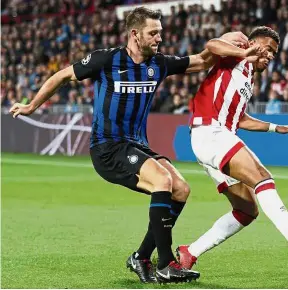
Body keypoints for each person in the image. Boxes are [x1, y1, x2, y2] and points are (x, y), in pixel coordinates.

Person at [9, 7, 250, 284]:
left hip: (137, 145)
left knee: (181, 189)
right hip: (108, 147)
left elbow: (203, 60)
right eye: (153, 33)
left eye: (160, 32)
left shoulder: (159, 63)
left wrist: (226, 39)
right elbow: (62, 76)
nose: (159, 37)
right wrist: (31, 106)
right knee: (162, 181)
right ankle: (166, 263)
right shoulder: (106, 60)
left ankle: (142, 257)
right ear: (135, 34)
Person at [176, 26, 288, 270]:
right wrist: (244, 51)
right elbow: (212, 46)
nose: (271, 56)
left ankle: (190, 252)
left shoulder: (248, 76)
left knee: (247, 210)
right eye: (268, 49)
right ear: (253, 43)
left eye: (274, 53)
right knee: (263, 178)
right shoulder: (236, 53)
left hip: (215, 138)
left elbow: (240, 119)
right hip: (211, 132)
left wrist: (276, 128)